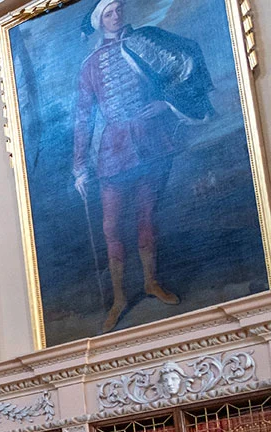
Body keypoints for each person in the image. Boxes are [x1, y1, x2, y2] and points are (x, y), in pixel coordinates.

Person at [72, 0, 215, 331]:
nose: (117, 14)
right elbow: (83, 117)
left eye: (119, 8)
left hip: (151, 143)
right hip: (113, 150)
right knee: (111, 226)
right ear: (100, 20)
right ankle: (120, 297)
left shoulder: (147, 42)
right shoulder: (90, 65)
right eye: (109, 12)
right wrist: (80, 167)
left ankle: (151, 282)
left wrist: (164, 103)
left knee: (146, 218)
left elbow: (182, 67)